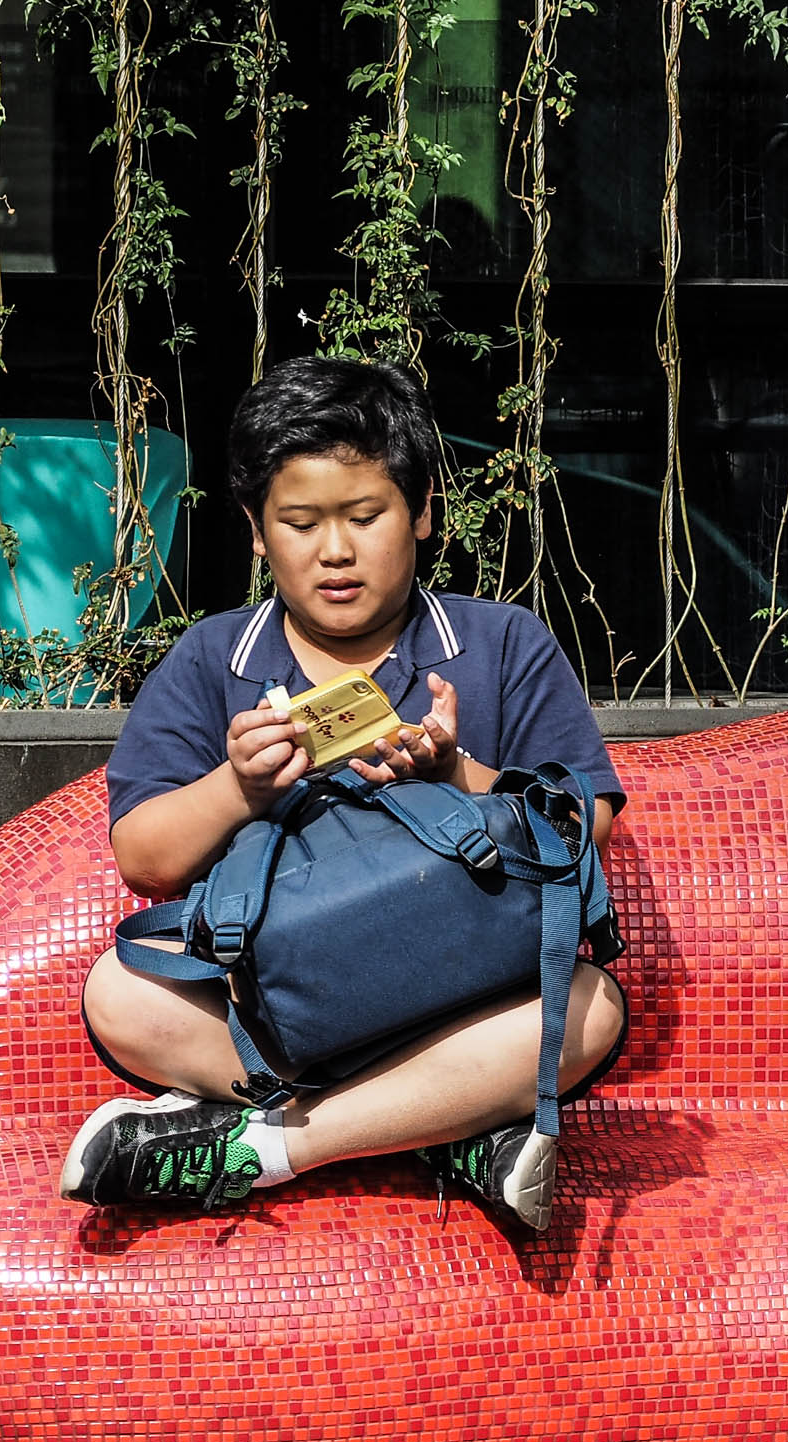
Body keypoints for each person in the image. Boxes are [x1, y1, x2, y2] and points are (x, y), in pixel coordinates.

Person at [59, 356, 630, 1228]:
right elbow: (144, 857)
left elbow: (587, 824)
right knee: (119, 991)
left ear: (424, 510)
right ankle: (447, 1125)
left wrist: (456, 774)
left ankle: (270, 1145)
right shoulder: (213, 659)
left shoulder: (501, 642)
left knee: (589, 1008)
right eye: (299, 522)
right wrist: (239, 787)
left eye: (365, 517)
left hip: (467, 998)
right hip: (285, 1006)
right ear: (256, 529)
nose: (335, 550)